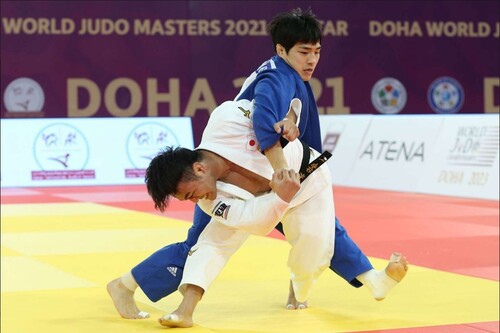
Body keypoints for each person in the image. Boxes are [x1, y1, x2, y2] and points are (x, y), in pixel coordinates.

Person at [107, 7, 408, 320]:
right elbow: (264, 114)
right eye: (304, 52)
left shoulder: (291, 77)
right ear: (282, 49)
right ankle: (127, 285)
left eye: (316, 52)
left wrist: (289, 128)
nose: (312, 60)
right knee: (201, 247)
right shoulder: (276, 75)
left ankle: (350, 280)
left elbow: (284, 115)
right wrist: (280, 162)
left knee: (322, 233)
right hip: (237, 182)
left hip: (272, 181)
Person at [146, 98, 407, 328]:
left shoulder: (225, 120)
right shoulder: (208, 201)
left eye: (190, 194)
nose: (194, 202)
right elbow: (257, 223)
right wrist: (280, 198)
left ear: (199, 170)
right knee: (210, 243)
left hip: (308, 180)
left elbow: (270, 102)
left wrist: (290, 118)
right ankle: (185, 310)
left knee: (313, 253)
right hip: (267, 202)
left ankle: (299, 287)